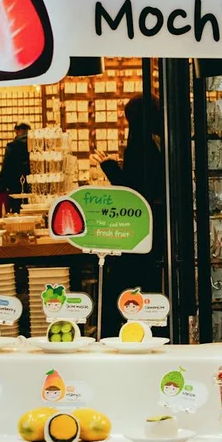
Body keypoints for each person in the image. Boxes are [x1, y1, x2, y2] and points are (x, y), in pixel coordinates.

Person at [91, 95, 168, 337]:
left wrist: (110, 167)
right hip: (158, 226)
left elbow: (133, 190)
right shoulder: (159, 140)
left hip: (141, 229)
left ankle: (127, 330)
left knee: (127, 284)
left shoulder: (139, 145)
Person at [0, 123, 30, 219]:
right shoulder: (35, 146)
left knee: (17, 215)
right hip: (31, 188)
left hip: (14, 189)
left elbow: (5, 170)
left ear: (16, 131)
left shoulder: (11, 147)